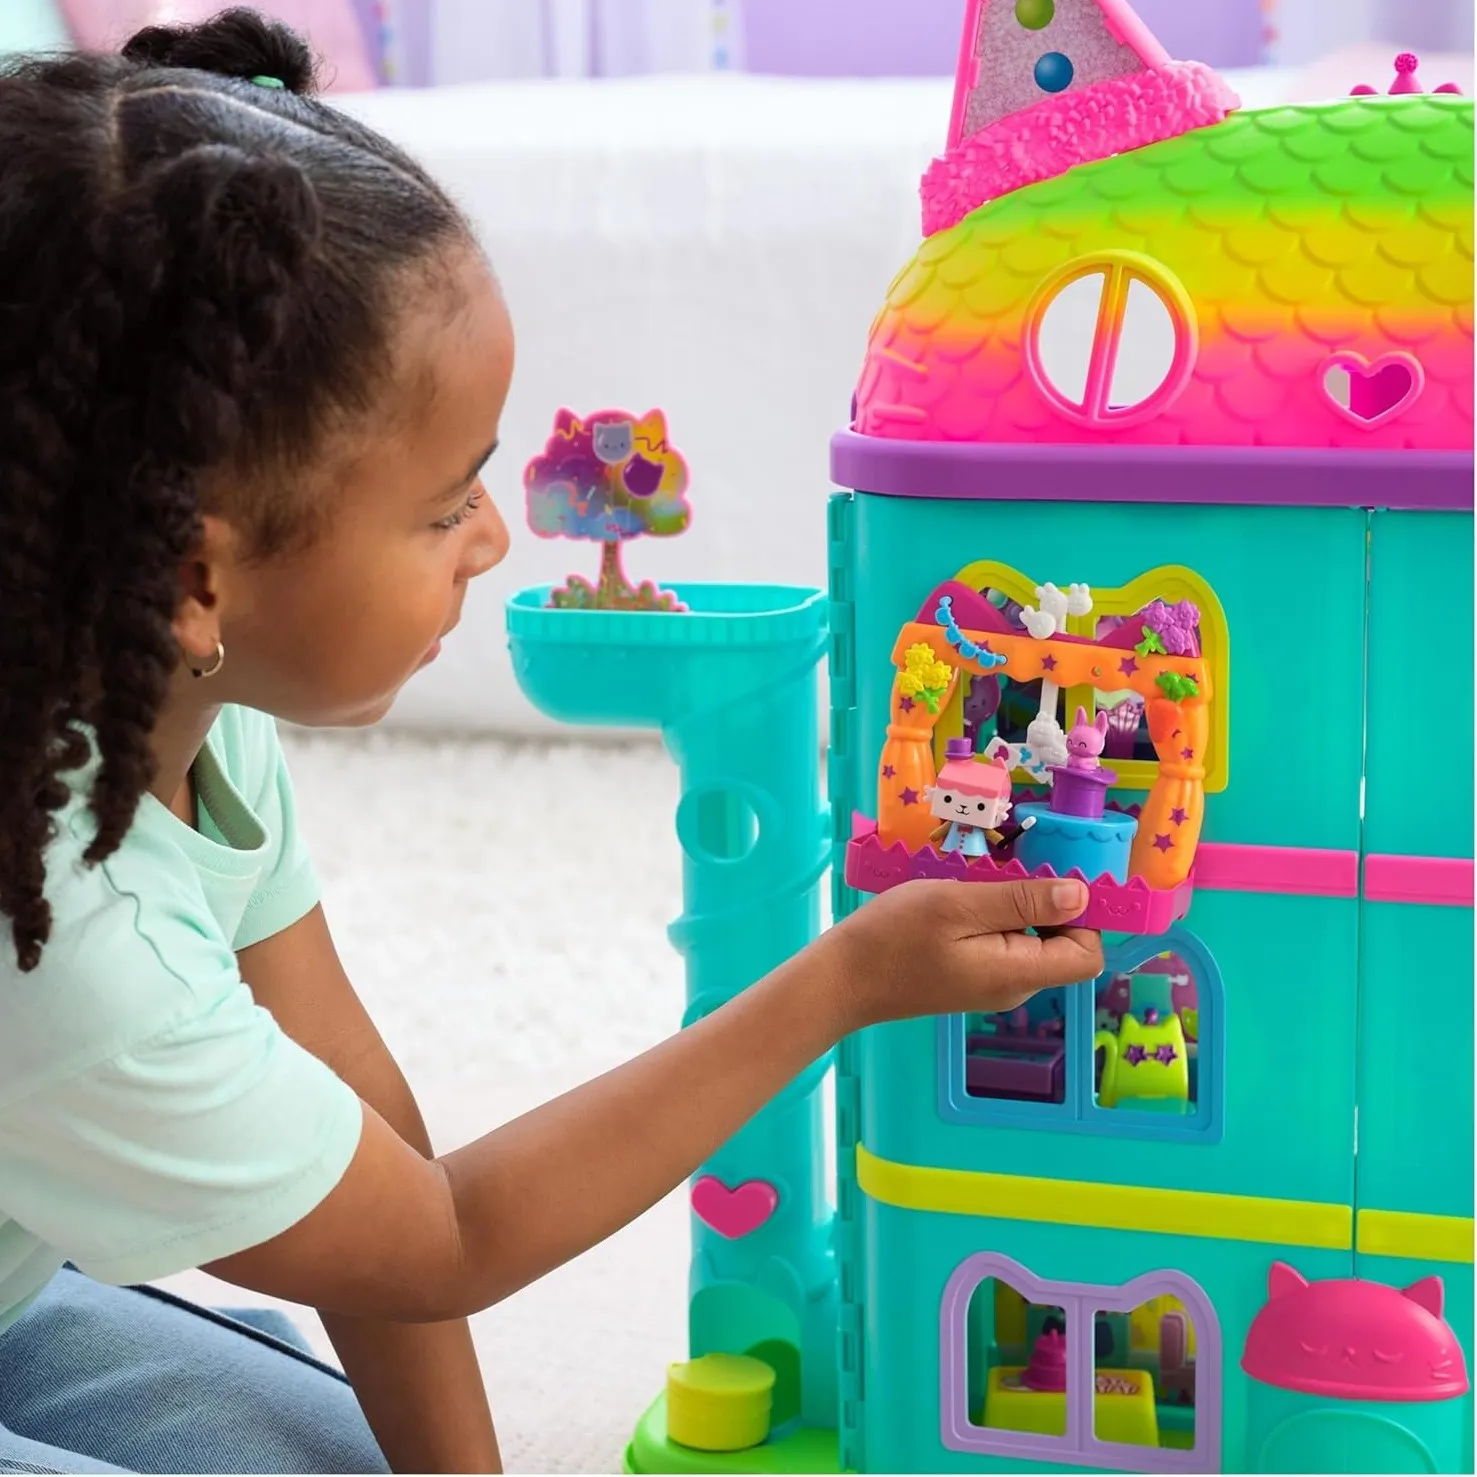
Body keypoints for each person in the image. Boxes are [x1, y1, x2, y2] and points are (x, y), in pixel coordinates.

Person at [0, 11, 1105, 1474]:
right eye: (444, 505)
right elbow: (444, 1235)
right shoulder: (71, 943)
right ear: (198, 577)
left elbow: (372, 1150)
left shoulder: (177, 699)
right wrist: (842, 984)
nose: (494, 539)